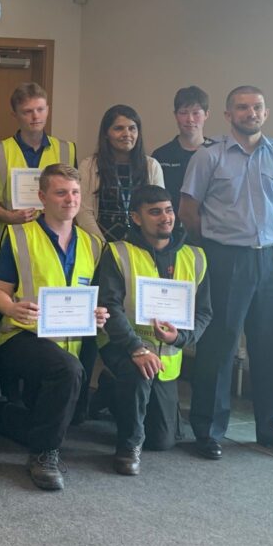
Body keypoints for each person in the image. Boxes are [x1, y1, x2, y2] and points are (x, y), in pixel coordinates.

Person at [181, 86, 273, 461]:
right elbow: (189, 210)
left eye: (256, 107)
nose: (250, 112)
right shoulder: (210, 156)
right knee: (218, 347)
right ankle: (208, 431)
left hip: (271, 260)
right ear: (227, 115)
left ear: (266, 113)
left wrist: (265, 240)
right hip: (225, 259)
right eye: (242, 107)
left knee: (272, 347)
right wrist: (224, 243)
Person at [0, 164, 108, 491]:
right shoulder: (18, 235)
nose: (70, 199)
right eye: (61, 192)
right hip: (21, 337)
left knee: (69, 413)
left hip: (69, 343)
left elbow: (92, 297)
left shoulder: (93, 244)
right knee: (68, 373)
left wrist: (97, 314)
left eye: (75, 192)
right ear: (42, 196)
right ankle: (43, 455)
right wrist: (10, 307)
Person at [96, 185, 211, 475]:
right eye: (155, 212)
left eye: (169, 210)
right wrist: (137, 348)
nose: (166, 218)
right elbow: (110, 307)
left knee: (162, 440)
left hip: (167, 357)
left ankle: (111, 392)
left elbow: (204, 313)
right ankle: (128, 447)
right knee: (138, 373)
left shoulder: (195, 257)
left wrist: (181, 337)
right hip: (123, 346)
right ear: (136, 217)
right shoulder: (117, 252)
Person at [0, 82, 76, 248]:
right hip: (10, 238)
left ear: (47, 110)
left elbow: (76, 195)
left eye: (40, 109)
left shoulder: (66, 150)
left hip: (55, 239)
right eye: (27, 111)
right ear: (15, 114)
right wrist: (8, 216)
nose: (35, 117)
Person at [76, 104, 164, 242]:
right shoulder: (89, 165)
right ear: (106, 133)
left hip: (141, 247)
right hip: (100, 246)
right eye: (118, 128)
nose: (127, 134)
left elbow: (159, 209)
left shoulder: (152, 166)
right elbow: (84, 211)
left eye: (132, 128)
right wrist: (102, 246)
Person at [151, 86, 214, 216]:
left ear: (206, 114)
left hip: (211, 228)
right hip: (170, 228)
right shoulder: (161, 156)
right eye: (183, 112)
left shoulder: (217, 153)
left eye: (196, 113)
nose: (190, 119)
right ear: (175, 115)